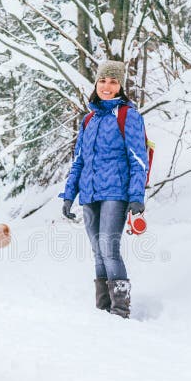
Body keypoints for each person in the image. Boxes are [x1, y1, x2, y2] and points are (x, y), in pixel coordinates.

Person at [59, 60, 148, 319]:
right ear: (96, 83)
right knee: (98, 252)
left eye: (113, 81)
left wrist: (136, 196)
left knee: (109, 248)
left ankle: (120, 310)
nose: (107, 86)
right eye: (102, 81)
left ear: (120, 86)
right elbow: (79, 161)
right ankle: (103, 310)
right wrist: (68, 195)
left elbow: (138, 159)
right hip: (89, 194)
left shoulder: (127, 115)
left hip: (116, 192)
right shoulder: (88, 120)